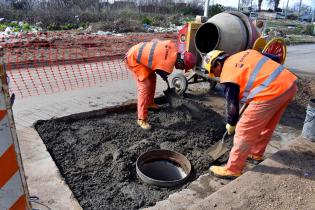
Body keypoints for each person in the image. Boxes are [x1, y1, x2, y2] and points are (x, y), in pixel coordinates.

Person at [203, 49, 297, 179]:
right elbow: (276, 59)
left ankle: (233, 169)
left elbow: (232, 106)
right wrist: (260, 83)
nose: (216, 76)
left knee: (243, 130)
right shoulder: (246, 53)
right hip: (288, 85)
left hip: (270, 93)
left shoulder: (228, 74)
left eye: (213, 72)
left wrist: (231, 123)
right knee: (267, 125)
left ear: (217, 64)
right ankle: (255, 154)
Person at [125, 39, 196, 130]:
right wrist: (163, 75)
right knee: (145, 86)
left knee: (152, 78)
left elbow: (155, 41)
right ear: (180, 61)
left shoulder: (173, 46)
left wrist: (162, 73)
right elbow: (161, 70)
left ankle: (150, 103)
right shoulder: (168, 64)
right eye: (182, 67)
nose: (181, 69)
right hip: (135, 58)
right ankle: (141, 119)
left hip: (143, 58)